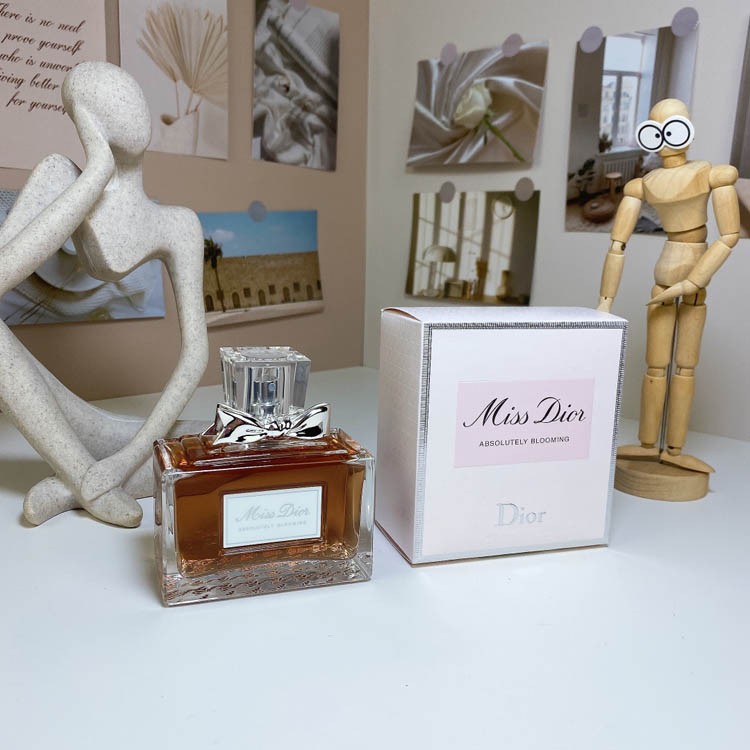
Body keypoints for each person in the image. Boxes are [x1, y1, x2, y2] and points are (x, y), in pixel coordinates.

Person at [0, 62, 208, 526]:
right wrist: (96, 171)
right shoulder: (62, 177)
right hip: (67, 414)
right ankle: (82, 476)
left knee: (241, 440)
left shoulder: (178, 224)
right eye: (107, 98)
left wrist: (125, 459)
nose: (131, 105)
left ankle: (74, 485)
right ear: (86, 120)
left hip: (108, 432)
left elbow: (195, 354)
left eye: (131, 92)